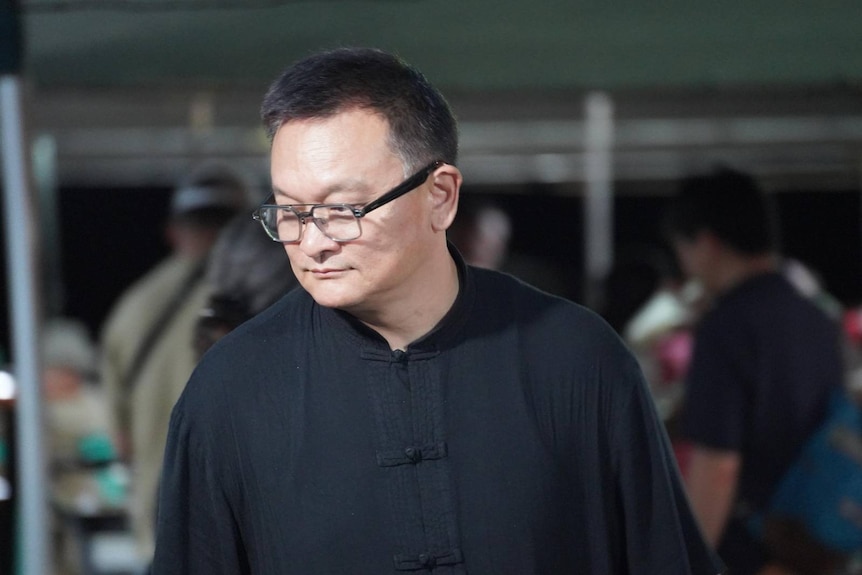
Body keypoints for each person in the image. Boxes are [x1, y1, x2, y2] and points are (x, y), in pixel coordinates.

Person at [152, 47, 724, 574]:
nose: (313, 241)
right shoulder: (230, 393)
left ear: (441, 196)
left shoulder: (576, 361)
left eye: (343, 208)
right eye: (290, 211)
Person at [662, 167, 845, 575]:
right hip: (818, 540)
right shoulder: (816, 318)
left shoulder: (726, 327)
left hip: (755, 548)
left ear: (707, 242)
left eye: (684, 251)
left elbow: (718, 465)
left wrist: (691, 561)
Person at [99, 164, 248, 563]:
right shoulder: (262, 300)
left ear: (173, 231)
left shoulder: (130, 310)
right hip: (244, 527)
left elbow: (120, 441)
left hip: (160, 524)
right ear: (249, 230)